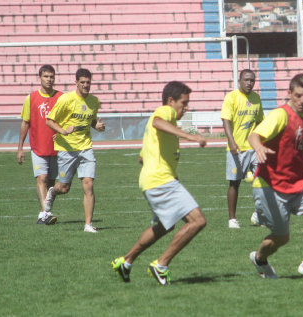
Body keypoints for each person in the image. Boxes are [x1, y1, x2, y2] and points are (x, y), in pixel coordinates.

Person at [111, 81, 207, 285]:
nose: (186, 107)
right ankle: (161, 265)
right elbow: (157, 122)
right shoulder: (166, 111)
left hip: (152, 179)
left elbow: (141, 157)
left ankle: (126, 261)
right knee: (197, 221)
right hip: (159, 180)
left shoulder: (164, 122)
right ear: (171, 100)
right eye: (184, 103)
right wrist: (191, 137)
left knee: (164, 226)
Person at [247, 73, 303, 279]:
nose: (302, 101)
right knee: (281, 237)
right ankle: (259, 259)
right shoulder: (280, 115)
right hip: (270, 185)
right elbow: (254, 135)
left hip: (297, 185)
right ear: (289, 94)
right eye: (298, 96)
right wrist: (258, 146)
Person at [44, 68, 105, 233]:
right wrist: (63, 131)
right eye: (82, 82)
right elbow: (50, 120)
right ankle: (52, 191)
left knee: (89, 184)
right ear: (76, 82)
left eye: (88, 82)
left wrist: (97, 126)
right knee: (64, 188)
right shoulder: (66, 99)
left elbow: (91, 121)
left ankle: (88, 225)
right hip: (67, 149)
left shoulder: (94, 101)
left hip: (85, 147)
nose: (86, 85)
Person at [17, 64, 63, 225]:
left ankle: (45, 213)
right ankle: (45, 213)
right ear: (40, 78)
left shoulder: (61, 98)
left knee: (51, 183)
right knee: (42, 178)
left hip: (57, 148)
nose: (49, 79)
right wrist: (20, 148)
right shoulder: (31, 98)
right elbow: (25, 123)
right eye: (46, 76)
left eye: (51, 77)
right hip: (38, 147)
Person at [221, 69, 264, 228]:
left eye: (252, 80)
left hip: (254, 148)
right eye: (246, 80)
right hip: (236, 149)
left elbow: (260, 122)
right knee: (234, 183)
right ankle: (232, 219)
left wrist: (262, 142)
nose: (249, 83)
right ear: (239, 80)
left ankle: (259, 214)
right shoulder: (231, 97)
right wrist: (232, 142)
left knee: (263, 179)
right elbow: (226, 121)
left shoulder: (257, 98)